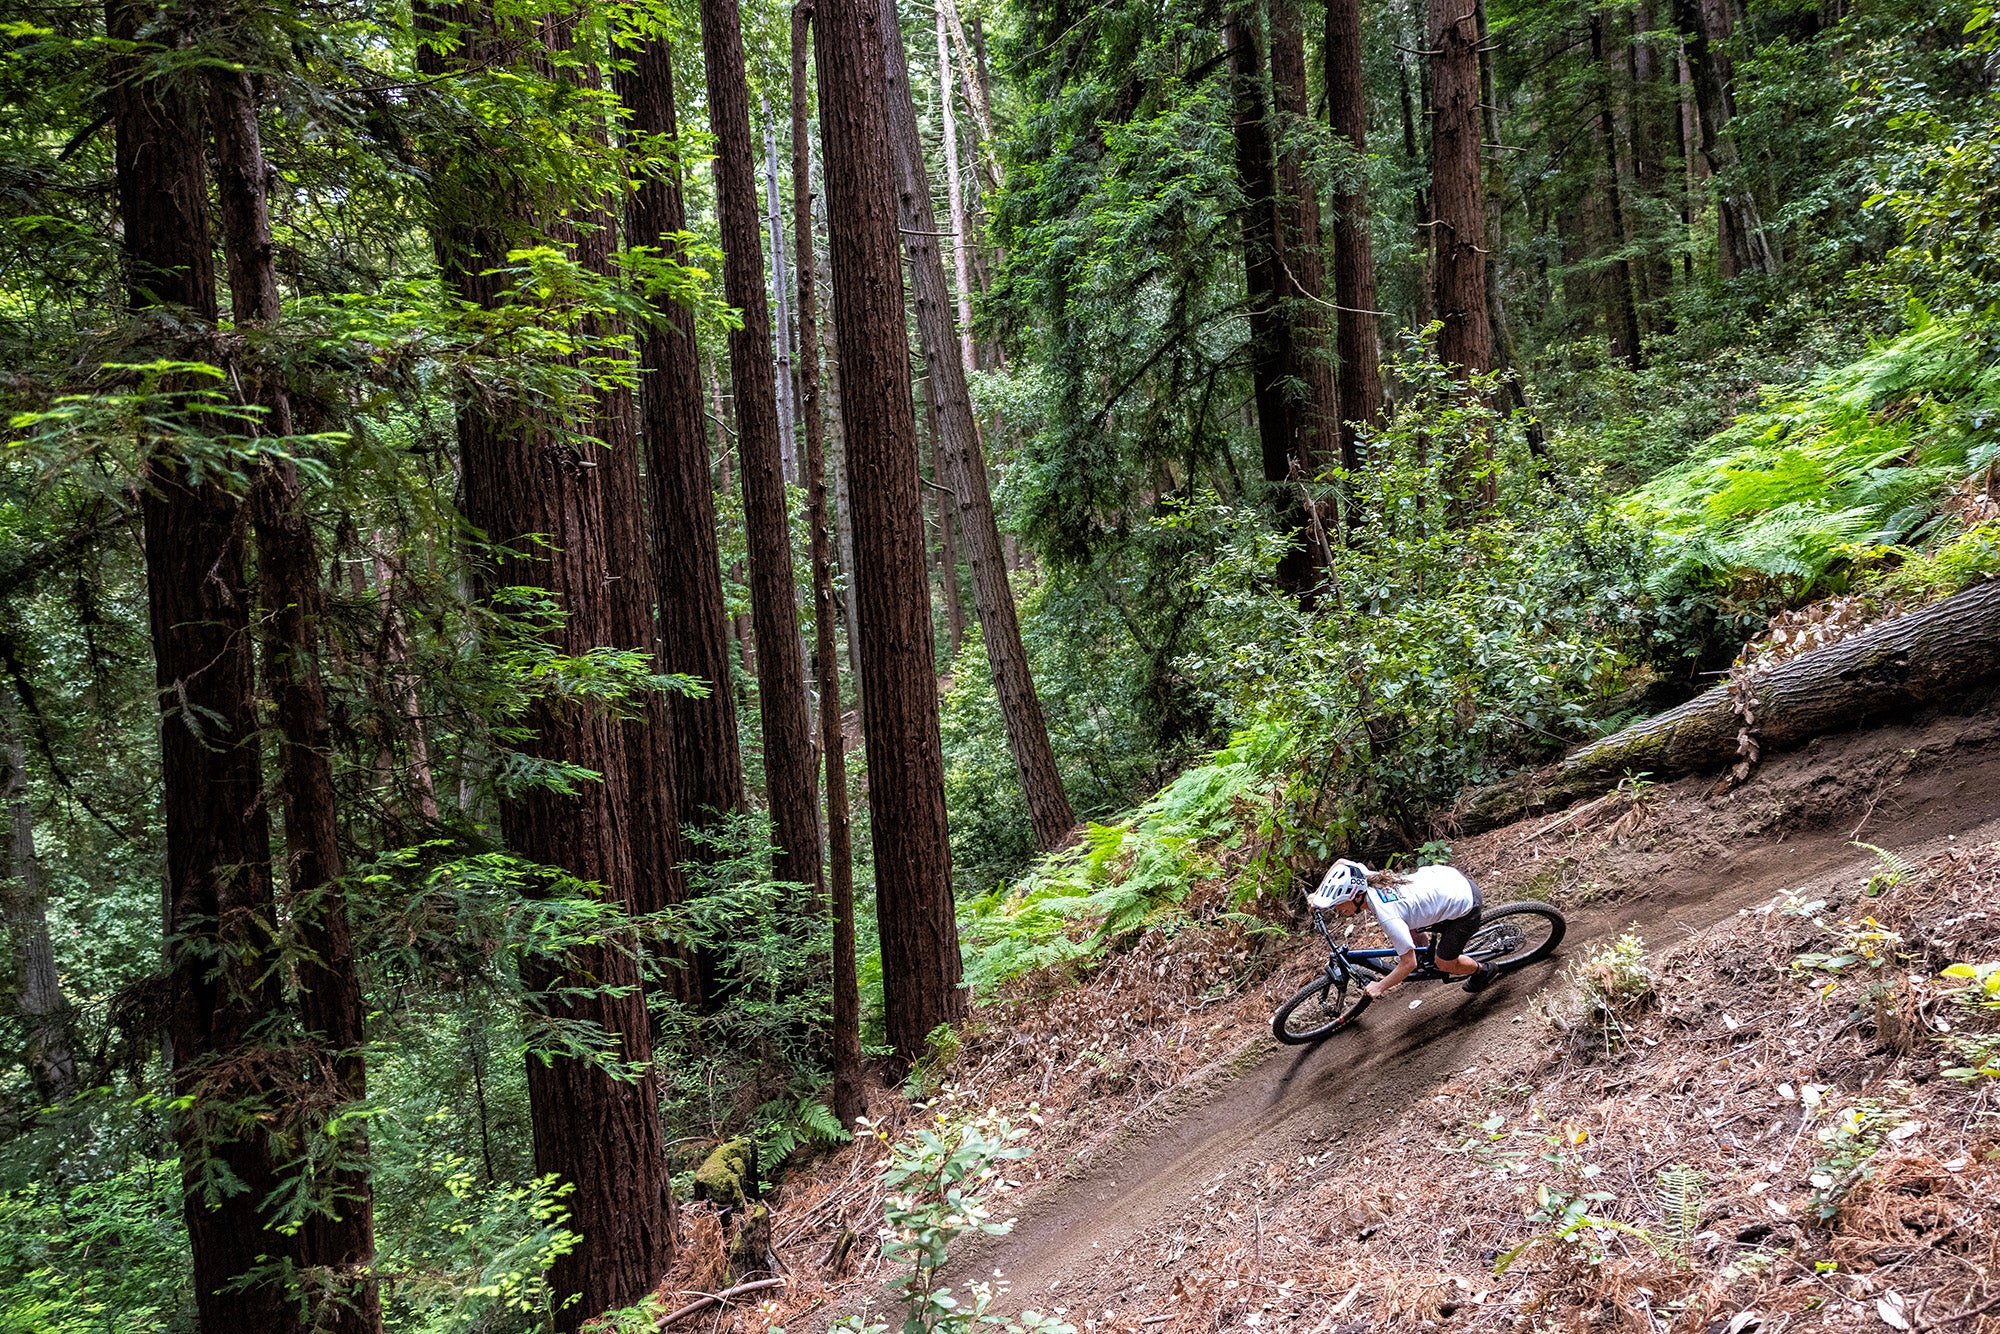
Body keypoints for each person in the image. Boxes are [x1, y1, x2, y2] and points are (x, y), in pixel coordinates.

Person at [1308, 859, 1495, 995]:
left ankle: (1484, 970)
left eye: (1339, 904)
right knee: (1410, 921)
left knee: (1444, 963)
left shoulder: (1387, 916)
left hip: (1466, 904)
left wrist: (1380, 986)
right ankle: (1424, 950)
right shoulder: (1367, 879)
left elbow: (1408, 963)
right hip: (1446, 879)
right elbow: (1341, 864)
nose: (1337, 909)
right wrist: (1318, 896)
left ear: (1357, 897)